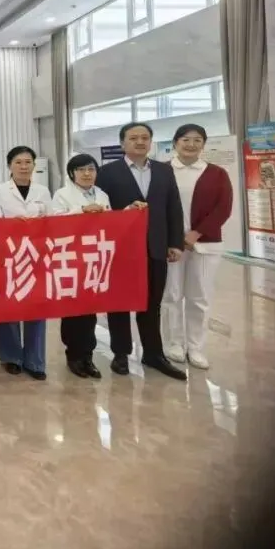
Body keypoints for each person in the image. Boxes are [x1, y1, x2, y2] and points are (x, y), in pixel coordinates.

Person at [94, 122, 187, 381]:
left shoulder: (164, 170)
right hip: (120, 249)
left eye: (145, 138)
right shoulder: (107, 172)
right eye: (133, 138)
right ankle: (121, 353)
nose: (140, 142)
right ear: (122, 143)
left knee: (152, 302)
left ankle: (153, 353)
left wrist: (175, 243)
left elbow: (173, 207)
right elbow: (100, 210)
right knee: (119, 302)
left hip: (156, 246)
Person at [161, 123, 234, 370]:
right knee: (171, 295)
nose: (191, 145)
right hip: (171, 244)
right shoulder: (162, 170)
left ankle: (196, 348)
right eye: (185, 140)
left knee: (199, 297)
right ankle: (173, 343)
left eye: (197, 140)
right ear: (175, 143)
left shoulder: (217, 173)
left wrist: (195, 233)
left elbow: (223, 208)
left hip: (205, 243)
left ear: (204, 144)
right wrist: (171, 238)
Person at [0, 146, 52, 380]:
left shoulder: (43, 191)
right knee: (9, 306)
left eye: (28, 162)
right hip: (8, 254)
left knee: (37, 306)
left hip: (37, 254)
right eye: (18, 162)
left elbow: (52, 220)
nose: (24, 167)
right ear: (9, 166)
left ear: (34, 165)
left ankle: (35, 361)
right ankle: (11, 357)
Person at [51, 153, 111, 379]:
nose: (87, 174)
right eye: (81, 170)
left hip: (94, 257)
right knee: (72, 309)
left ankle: (88, 356)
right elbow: (55, 221)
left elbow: (112, 222)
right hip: (71, 257)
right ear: (71, 173)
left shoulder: (102, 194)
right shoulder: (62, 194)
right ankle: (73, 355)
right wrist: (81, 211)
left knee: (90, 310)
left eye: (91, 169)